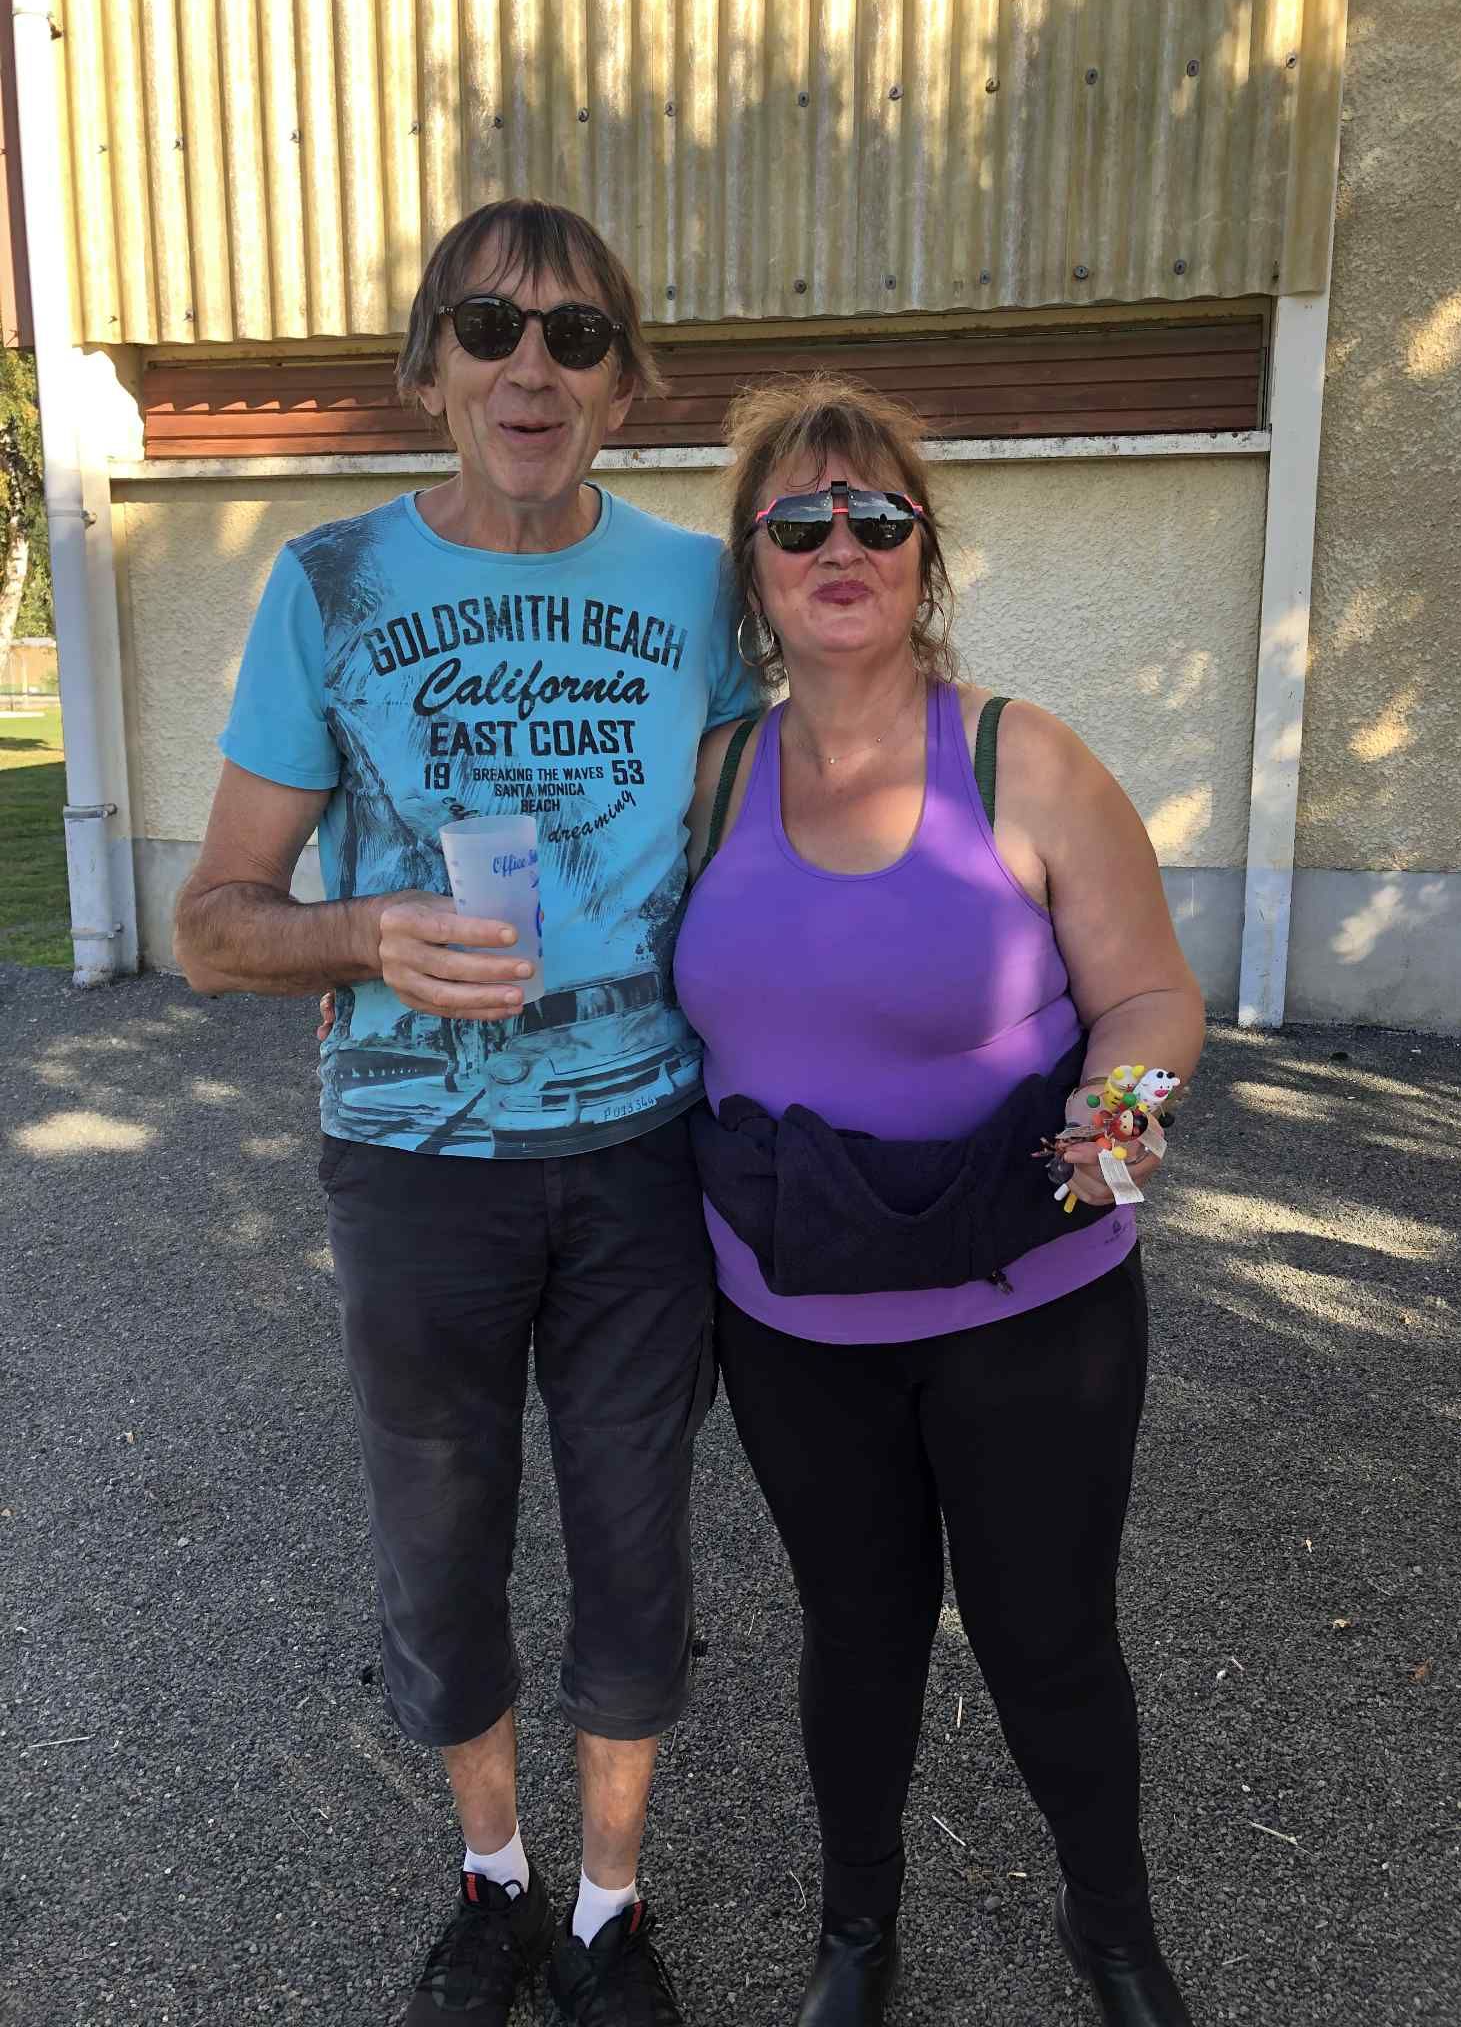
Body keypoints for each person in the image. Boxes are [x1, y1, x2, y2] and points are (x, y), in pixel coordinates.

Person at [174, 199, 757, 2027]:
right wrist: (364, 935)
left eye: (577, 337)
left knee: (635, 1547)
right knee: (440, 1549)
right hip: (414, 1163)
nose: (531, 366)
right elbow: (212, 922)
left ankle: (608, 1911)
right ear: (427, 367)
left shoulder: (699, 592)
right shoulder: (329, 584)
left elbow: (772, 864)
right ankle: (492, 1883)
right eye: (490, 327)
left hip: (642, 1153)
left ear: (624, 385)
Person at [673, 375, 1206, 2027]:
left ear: (924, 554)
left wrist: (1121, 1125)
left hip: (1029, 1306)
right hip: (792, 1318)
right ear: (754, 567)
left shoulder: (1021, 758)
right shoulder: (706, 779)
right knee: (858, 1633)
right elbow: (591, 968)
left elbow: (1151, 997)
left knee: (1048, 1641)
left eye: (878, 515)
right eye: (799, 520)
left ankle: (1114, 1934)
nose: (841, 543)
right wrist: (376, 990)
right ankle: (856, 1935)